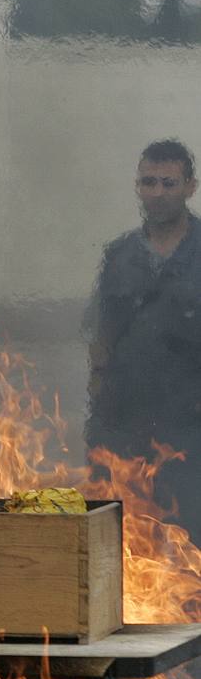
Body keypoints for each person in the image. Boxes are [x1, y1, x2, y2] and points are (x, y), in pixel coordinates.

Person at [87, 138, 201, 541]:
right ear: (138, 187)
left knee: (192, 549)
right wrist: (98, 425)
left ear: (191, 186)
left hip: (191, 433)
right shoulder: (120, 256)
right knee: (127, 545)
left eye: (169, 183)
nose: (158, 192)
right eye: (149, 182)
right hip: (126, 429)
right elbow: (101, 342)